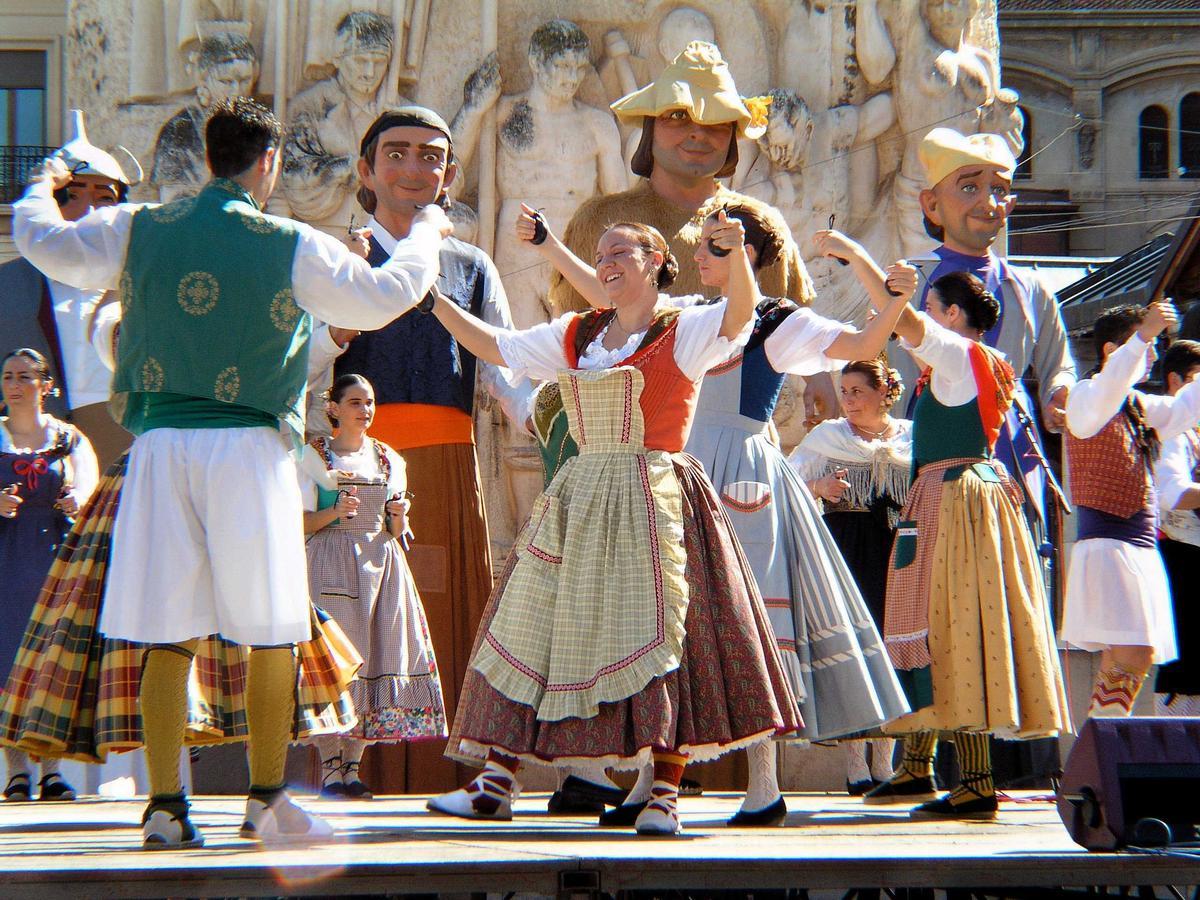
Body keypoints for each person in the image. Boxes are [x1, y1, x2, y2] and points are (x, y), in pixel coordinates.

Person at [11, 96, 451, 849]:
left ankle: (164, 809)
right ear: (268, 164)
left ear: (210, 158)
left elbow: (42, 239)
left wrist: (43, 182)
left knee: (164, 635)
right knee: (272, 630)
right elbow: (384, 299)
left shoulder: (137, 226)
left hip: (161, 450)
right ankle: (266, 801)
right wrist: (430, 230)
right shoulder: (290, 242)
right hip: (249, 451)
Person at [535, 201, 913, 825]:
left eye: (715, 247)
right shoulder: (685, 315)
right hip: (677, 472)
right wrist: (551, 245)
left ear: (749, 253)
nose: (698, 259)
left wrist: (890, 296)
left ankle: (763, 782)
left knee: (745, 624)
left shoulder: (776, 323)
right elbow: (606, 295)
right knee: (667, 625)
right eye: (704, 245)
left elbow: (865, 344)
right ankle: (656, 778)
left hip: (740, 474)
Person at [424, 216, 802, 836]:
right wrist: (432, 300)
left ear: (655, 260)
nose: (605, 261)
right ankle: (495, 781)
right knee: (529, 622)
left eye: (620, 250)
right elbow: (498, 346)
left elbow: (741, 317)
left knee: (668, 635)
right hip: (582, 494)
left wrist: (734, 256)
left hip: (657, 495)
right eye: (600, 254)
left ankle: (665, 793)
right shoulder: (579, 333)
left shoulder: (685, 329)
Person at [307, 105, 532, 795]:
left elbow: (505, 376)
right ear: (367, 170)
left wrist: (566, 425)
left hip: (446, 474)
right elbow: (303, 373)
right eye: (397, 153)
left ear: (450, 174)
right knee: (351, 623)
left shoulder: (470, 266)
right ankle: (346, 770)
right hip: (351, 483)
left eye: (431, 156)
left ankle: (440, 773)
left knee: (442, 620)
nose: (414, 168)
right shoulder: (333, 259)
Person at [821, 231, 1069, 820]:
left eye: (935, 307)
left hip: (954, 500)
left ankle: (976, 782)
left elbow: (901, 322)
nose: (926, 319)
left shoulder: (959, 356)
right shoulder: (989, 363)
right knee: (927, 622)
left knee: (952, 624)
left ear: (953, 314)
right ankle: (915, 766)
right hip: (962, 497)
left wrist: (856, 256)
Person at [298, 373, 446, 798]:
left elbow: (398, 531)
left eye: (370, 402)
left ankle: (352, 767)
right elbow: (298, 523)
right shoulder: (313, 458)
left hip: (380, 565)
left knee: (375, 656)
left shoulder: (388, 459)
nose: (366, 410)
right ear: (334, 409)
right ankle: (329, 766)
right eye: (356, 402)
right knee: (334, 663)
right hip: (328, 564)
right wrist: (334, 513)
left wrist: (399, 514)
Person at [1062, 305, 1200, 717]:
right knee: (1132, 654)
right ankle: (1104, 749)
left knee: (1126, 659)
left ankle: (1101, 749)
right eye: (1147, 345)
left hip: (1134, 546)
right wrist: (1143, 336)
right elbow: (1112, 382)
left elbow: (1182, 411)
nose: (1154, 356)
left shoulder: (1135, 403)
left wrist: (1144, 338)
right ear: (1111, 349)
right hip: (1109, 544)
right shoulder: (1087, 397)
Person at [791, 359, 913, 794]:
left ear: (884, 393)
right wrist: (819, 489)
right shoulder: (829, 436)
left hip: (898, 551)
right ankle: (854, 762)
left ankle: (885, 760)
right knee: (858, 645)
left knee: (893, 643)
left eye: (857, 391)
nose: (847, 400)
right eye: (844, 391)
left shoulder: (909, 436)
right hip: (847, 545)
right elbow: (786, 480)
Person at [0, 110, 137, 470]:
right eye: (71, 195)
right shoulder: (8, 285)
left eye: (103, 197)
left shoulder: (142, 280)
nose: (89, 208)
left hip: (124, 432)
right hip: (34, 449)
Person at [1, 349, 98, 802]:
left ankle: (53, 770)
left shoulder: (68, 438)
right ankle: (16, 769)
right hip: (5, 559)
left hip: (55, 557)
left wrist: (77, 498)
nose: (14, 384)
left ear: (46, 385)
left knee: (51, 660)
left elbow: (89, 482)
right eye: (7, 376)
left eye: (24, 375)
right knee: (8, 658)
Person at [150, 31, 259, 202]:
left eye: (245, 80)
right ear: (203, 80)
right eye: (226, 81)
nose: (237, 91)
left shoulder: (256, 127)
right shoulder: (180, 131)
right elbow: (173, 204)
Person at [1151, 340, 1200, 716]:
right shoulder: (1168, 430)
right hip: (1181, 554)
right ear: (1174, 380)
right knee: (1184, 674)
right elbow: (1173, 494)